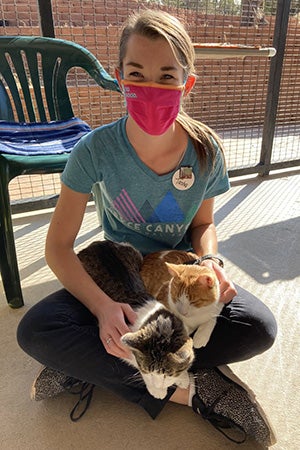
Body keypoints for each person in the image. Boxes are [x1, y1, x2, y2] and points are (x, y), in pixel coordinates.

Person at [17, 9, 277, 446]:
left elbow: (204, 224)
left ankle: (92, 365)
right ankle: (194, 390)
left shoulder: (206, 149)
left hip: (177, 278)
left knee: (259, 326)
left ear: (187, 82)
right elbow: (59, 247)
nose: (151, 88)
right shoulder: (94, 150)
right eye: (137, 73)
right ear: (119, 77)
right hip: (119, 275)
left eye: (166, 76)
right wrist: (101, 307)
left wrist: (210, 261)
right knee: (36, 331)